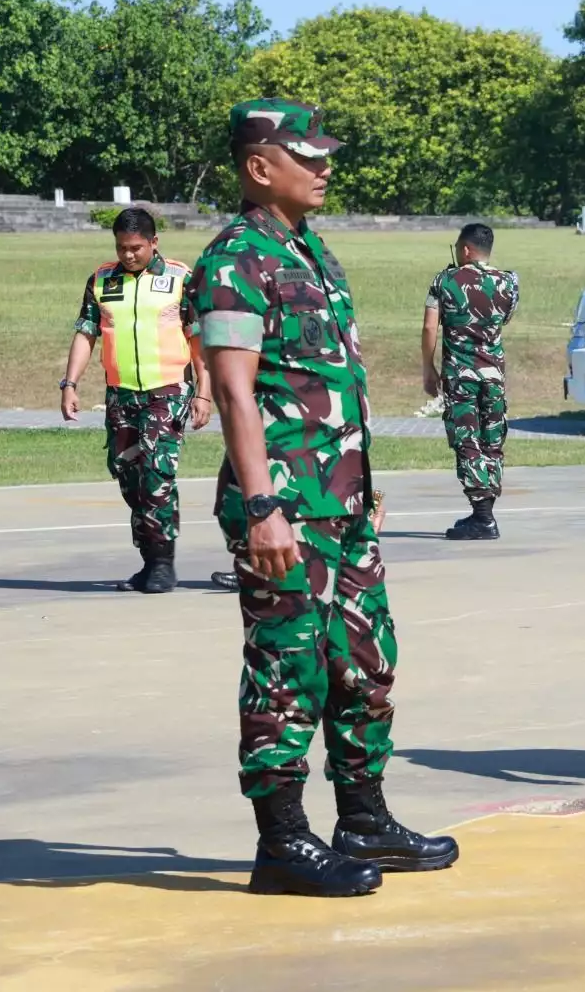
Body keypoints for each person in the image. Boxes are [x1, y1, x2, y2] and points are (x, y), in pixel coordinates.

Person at [188, 98, 458, 898]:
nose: (324, 166)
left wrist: (367, 488)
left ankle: (364, 818)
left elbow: (338, 384)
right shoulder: (236, 259)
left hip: (341, 501)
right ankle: (281, 842)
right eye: (305, 155)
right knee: (287, 666)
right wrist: (264, 504)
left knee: (364, 662)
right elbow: (236, 394)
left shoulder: (312, 254)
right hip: (284, 506)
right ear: (258, 166)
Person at [60, 208, 236, 593]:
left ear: (154, 242)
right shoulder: (101, 280)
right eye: (122, 247)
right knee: (130, 479)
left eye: (136, 247)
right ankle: (149, 557)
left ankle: (162, 563)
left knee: (157, 475)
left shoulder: (179, 279)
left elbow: (199, 340)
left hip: (168, 391)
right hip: (121, 396)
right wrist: (69, 384)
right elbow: (85, 333)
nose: (128, 255)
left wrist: (204, 392)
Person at [421, 223, 519, 540]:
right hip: (494, 376)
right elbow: (502, 320)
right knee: (492, 441)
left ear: (465, 250)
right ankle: (486, 511)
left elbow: (429, 329)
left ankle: (482, 517)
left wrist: (428, 368)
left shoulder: (444, 280)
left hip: (460, 376)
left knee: (467, 441)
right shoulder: (508, 283)